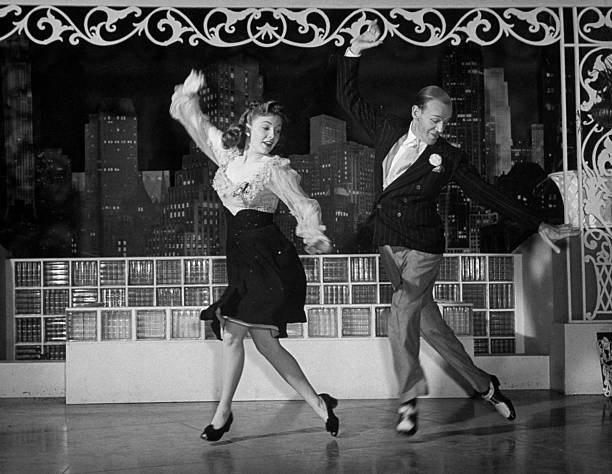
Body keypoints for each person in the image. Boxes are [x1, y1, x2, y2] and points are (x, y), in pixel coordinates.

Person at [336, 21, 578, 436]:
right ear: (416, 113)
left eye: (445, 123)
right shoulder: (386, 129)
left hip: (424, 247)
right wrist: (353, 50)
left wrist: (539, 224)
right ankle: (485, 386)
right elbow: (346, 97)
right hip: (389, 245)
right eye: (434, 121)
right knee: (429, 327)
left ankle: (409, 400)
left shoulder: (448, 155)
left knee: (401, 314)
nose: (440, 129)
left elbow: (487, 194)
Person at [171, 70, 339, 442]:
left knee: (232, 336)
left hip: (270, 260)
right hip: (243, 262)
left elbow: (302, 204)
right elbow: (196, 124)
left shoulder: (274, 169)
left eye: (276, 131)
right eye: (265, 127)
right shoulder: (227, 158)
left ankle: (222, 415)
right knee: (264, 342)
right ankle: (318, 404)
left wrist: (313, 235)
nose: (271, 136)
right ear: (248, 126)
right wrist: (188, 94)